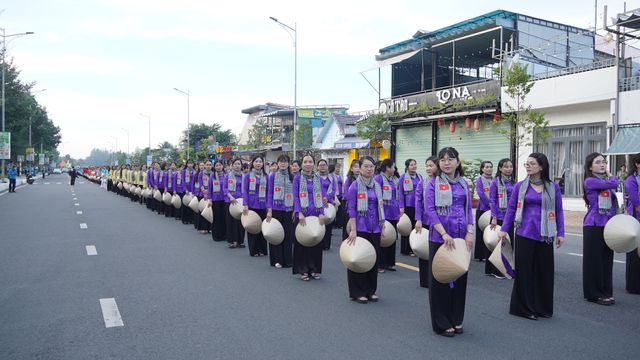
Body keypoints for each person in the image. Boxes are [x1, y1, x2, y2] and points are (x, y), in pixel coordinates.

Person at [500, 153, 565, 320]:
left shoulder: (553, 187)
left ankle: (542, 307)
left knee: (544, 272)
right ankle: (523, 308)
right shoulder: (520, 186)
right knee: (525, 272)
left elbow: (558, 211)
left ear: (541, 167)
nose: (528, 166)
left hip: (545, 235)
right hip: (524, 233)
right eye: (526, 164)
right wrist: (504, 230)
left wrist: (561, 233)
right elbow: (511, 209)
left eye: (532, 164)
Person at [425, 147, 473, 337]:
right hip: (441, 238)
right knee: (440, 281)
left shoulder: (463, 183)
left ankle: (456, 318)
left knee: (460, 278)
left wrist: (470, 232)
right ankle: (441, 322)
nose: (446, 163)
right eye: (443, 160)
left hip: (461, 238)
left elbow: (468, 209)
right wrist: (443, 234)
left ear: (457, 162)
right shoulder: (432, 183)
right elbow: (429, 209)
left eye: (450, 159)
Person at [346, 156, 384, 303]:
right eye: (366, 166)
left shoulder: (377, 185)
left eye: (371, 166)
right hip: (360, 228)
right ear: (360, 169)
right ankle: (357, 291)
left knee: (372, 260)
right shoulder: (354, 186)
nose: (369, 169)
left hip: (375, 228)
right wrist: (353, 230)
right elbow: (351, 209)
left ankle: (370, 290)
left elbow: (380, 206)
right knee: (358, 259)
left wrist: (382, 225)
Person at [582, 152, 618, 305]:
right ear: (590, 166)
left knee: (606, 260)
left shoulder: (604, 182)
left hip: (608, 225)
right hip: (594, 224)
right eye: (598, 162)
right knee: (594, 261)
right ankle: (594, 294)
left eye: (604, 162)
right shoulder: (590, 181)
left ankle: (606, 291)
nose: (602, 164)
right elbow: (614, 183)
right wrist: (610, 174)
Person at [292, 153, 326, 281]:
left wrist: (322, 212)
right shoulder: (297, 178)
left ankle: (315, 269)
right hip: (303, 215)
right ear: (302, 164)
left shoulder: (318, 178)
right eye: (305, 162)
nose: (307, 164)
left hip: (316, 215)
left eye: (310, 161)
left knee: (316, 243)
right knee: (302, 244)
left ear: (314, 164)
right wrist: (298, 212)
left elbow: (321, 196)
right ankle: (303, 270)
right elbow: (295, 196)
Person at [488, 158, 515, 278]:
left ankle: (508, 268)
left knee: (508, 244)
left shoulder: (513, 182)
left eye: (510, 166)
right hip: (498, 216)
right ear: (500, 168)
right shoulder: (495, 182)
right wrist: (494, 216)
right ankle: (496, 270)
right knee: (498, 244)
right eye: (506, 167)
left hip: (510, 217)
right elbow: (492, 200)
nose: (509, 169)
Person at [266, 154, 295, 268]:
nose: (283, 163)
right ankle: (277, 260)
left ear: (288, 164)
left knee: (288, 235)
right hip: (276, 209)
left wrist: (295, 210)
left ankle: (288, 260)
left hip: (289, 210)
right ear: (277, 163)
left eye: (285, 161)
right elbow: (270, 193)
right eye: (281, 161)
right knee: (276, 234)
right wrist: (269, 210)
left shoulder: (293, 177)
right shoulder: (272, 176)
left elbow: (296, 194)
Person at [415, 156, 438, 288]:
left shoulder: (443, 182)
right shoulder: (422, 183)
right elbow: (418, 202)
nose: (428, 168)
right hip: (425, 220)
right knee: (424, 251)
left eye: (431, 165)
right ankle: (425, 280)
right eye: (427, 165)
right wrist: (418, 219)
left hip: (439, 222)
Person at [374, 159, 399, 273]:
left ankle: (390, 262)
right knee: (383, 239)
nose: (394, 169)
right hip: (383, 212)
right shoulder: (378, 179)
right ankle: (380, 263)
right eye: (393, 167)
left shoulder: (393, 180)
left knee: (391, 237)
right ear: (387, 168)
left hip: (393, 212)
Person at [242, 155, 269, 257]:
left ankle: (262, 249)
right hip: (252, 204)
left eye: (260, 162)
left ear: (263, 164)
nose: (258, 163)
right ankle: (254, 250)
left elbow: (268, 191)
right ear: (253, 163)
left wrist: (268, 205)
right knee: (253, 227)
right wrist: (245, 204)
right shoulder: (248, 176)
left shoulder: (266, 176)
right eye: (256, 161)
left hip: (263, 205)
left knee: (262, 228)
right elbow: (245, 191)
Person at [399, 159, 423, 256]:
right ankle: (405, 249)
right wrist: (401, 206)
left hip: (417, 205)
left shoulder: (419, 177)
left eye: (415, 164)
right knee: (406, 227)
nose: (414, 166)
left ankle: (414, 248)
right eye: (412, 165)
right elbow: (400, 193)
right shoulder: (403, 178)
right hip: (407, 206)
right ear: (407, 167)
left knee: (415, 227)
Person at [624, 153, 640, 294]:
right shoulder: (631, 180)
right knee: (634, 254)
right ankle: (633, 285)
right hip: (636, 220)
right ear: (637, 164)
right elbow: (636, 203)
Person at [224, 158, 246, 249]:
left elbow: (247, 189)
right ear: (232, 165)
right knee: (231, 221)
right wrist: (230, 197)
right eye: (235, 164)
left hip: (241, 201)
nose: (237, 165)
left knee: (241, 222)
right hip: (230, 201)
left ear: (241, 166)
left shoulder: (245, 176)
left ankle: (240, 241)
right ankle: (232, 241)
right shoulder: (228, 176)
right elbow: (225, 188)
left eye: (239, 164)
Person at [474, 161, 493, 262]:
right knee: (481, 232)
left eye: (490, 167)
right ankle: (480, 255)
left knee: (489, 233)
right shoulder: (479, 180)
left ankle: (488, 254)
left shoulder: (495, 180)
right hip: (483, 209)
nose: (489, 169)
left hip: (493, 210)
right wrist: (489, 203)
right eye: (486, 167)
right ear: (482, 169)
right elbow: (481, 193)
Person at [317, 159, 336, 250]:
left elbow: (333, 190)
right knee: (320, 224)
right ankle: (319, 242)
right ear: (317, 167)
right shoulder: (315, 177)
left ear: (327, 166)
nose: (322, 166)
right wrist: (321, 199)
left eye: (324, 165)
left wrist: (327, 198)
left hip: (328, 203)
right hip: (317, 202)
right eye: (320, 165)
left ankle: (326, 244)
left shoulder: (331, 178)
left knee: (328, 224)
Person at [208, 160, 227, 241]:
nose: (218, 167)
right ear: (214, 167)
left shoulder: (226, 176)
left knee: (224, 218)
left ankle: (224, 235)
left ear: (222, 166)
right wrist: (210, 199)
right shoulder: (212, 176)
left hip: (225, 200)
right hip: (215, 200)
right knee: (216, 218)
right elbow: (209, 189)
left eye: (220, 165)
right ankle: (216, 235)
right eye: (217, 165)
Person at [342, 160, 360, 240]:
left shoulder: (363, 179)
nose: (357, 169)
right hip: (350, 206)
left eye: (359, 166)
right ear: (351, 169)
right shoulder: (349, 180)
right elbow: (346, 195)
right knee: (348, 227)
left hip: (361, 207)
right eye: (355, 167)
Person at [330, 163, 345, 229]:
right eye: (337, 167)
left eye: (339, 167)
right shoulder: (331, 176)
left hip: (341, 194)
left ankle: (339, 224)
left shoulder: (341, 175)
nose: (338, 169)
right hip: (335, 195)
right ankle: (333, 224)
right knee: (334, 210)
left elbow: (343, 185)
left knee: (340, 210)